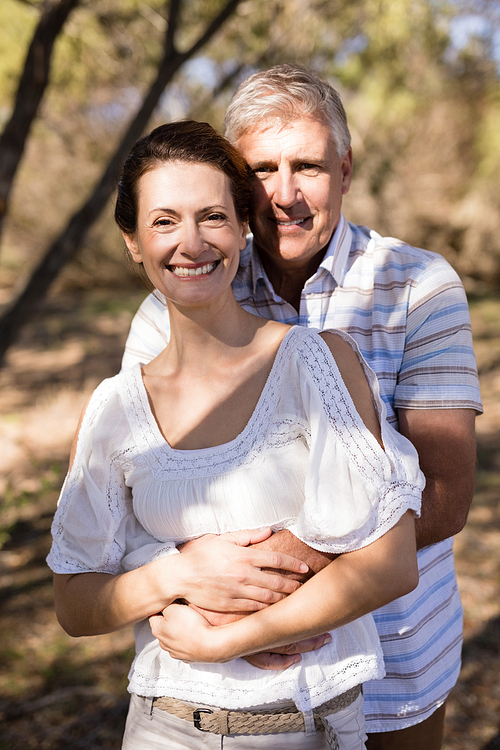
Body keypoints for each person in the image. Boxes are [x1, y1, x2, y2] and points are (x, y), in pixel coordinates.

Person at [122, 65, 483, 749]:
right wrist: (204, 596)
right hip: (230, 679)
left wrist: (258, 587)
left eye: (308, 166)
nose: (284, 195)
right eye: (261, 169)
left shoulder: (417, 288)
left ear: (345, 169)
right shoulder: (182, 300)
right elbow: (136, 484)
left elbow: (444, 493)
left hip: (394, 663)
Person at [47, 120, 423, 750]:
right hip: (167, 727)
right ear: (132, 241)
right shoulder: (114, 408)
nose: (191, 243)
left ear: (244, 228)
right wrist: (179, 574)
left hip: (312, 725)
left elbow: (391, 564)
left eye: (213, 216)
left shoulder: (316, 363)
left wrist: (230, 638)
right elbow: (74, 603)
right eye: (164, 221)